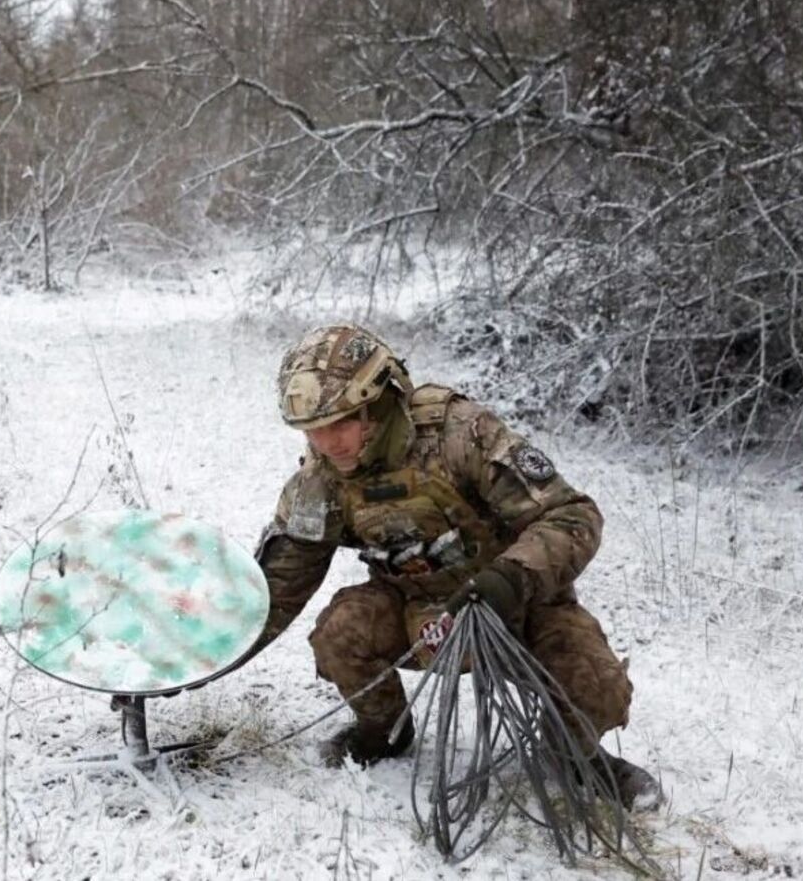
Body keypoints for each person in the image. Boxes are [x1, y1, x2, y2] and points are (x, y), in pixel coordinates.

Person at [248, 324, 661, 810]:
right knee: (341, 632)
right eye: (312, 431)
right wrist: (197, 658)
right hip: (417, 613)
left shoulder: (459, 435)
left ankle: (575, 756)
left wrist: (508, 580)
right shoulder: (320, 480)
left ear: (378, 404)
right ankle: (383, 733)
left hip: (516, 604)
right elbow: (280, 585)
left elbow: (572, 515)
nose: (326, 442)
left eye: (340, 423)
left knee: (595, 685)